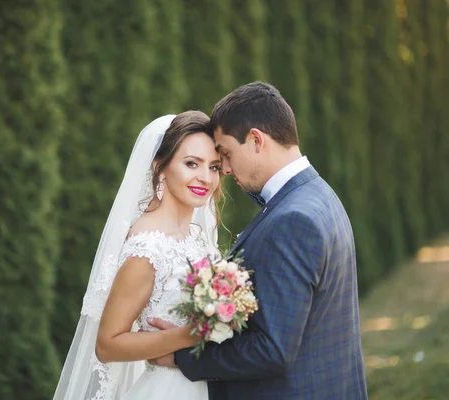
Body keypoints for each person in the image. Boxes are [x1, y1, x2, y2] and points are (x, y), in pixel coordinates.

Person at [148, 82, 368, 399]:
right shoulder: (317, 195)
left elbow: (273, 349)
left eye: (225, 153)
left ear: (255, 140)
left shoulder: (292, 220)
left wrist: (181, 356)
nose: (223, 169)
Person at [53, 111, 222, 400]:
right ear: (161, 167)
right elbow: (107, 345)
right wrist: (187, 336)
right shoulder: (147, 246)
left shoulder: (199, 239)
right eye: (192, 163)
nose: (205, 178)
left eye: (214, 167)